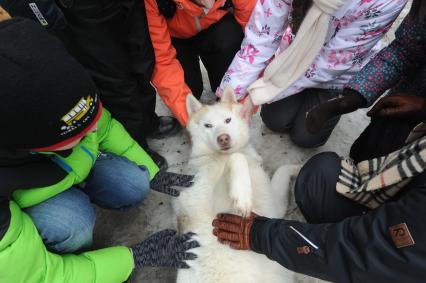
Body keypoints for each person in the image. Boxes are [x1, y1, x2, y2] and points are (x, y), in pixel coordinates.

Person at [212, 4, 426, 282]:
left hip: (336, 73)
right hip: (300, 64)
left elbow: (374, 249)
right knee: (279, 121)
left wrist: (260, 234)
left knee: (307, 140)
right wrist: (234, 97)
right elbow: (405, 50)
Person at [0, 14, 197, 282]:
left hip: (59, 167)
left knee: (133, 182)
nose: (93, 131)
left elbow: (103, 127)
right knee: (73, 225)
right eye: (79, 135)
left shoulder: (59, 92)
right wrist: (132, 258)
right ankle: (60, 245)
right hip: (22, 197)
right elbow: (42, 275)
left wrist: (153, 173)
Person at [2, 0, 180, 170]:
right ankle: (135, 139)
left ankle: (147, 120)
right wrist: (41, 12)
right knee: (113, 76)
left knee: (142, 60)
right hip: (79, 9)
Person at [217, 0, 408, 148]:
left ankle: (329, 99)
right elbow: (262, 36)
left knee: (306, 137)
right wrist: (231, 94)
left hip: (337, 72)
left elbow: (332, 63)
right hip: (293, 55)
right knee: (274, 121)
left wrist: (260, 93)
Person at [144, 0, 257, 126]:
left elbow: (258, 40)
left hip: (216, 28)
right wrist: (192, 122)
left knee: (229, 38)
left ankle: (225, 89)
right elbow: (162, 62)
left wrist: (245, 101)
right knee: (190, 95)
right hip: (175, 38)